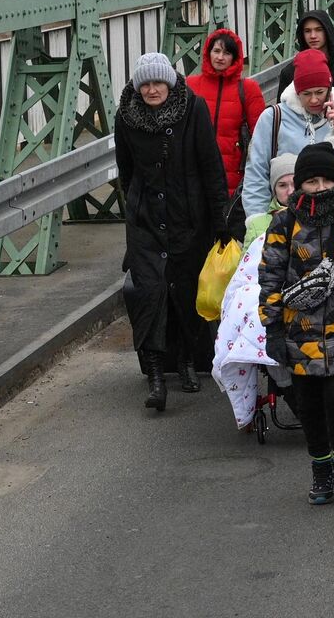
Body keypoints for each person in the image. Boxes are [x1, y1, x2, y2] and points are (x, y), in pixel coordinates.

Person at [258, 142, 334, 507]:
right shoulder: (284, 223)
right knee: (308, 405)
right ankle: (321, 467)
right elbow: (270, 277)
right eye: (312, 181)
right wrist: (273, 329)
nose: (321, 187)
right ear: (300, 186)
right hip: (299, 332)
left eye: (327, 179)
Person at [116, 49, 232, 413]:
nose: (152, 90)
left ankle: (184, 362)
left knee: (184, 293)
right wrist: (135, 209)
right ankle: (154, 374)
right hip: (146, 221)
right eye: (145, 84)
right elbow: (126, 168)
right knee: (150, 293)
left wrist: (219, 222)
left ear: (169, 82)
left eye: (157, 82)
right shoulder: (127, 116)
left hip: (188, 219)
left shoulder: (192, 109)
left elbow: (211, 166)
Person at [213, 152, 295, 430]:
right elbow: (248, 264)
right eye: (282, 185)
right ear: (273, 190)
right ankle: (286, 385)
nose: (289, 191)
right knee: (257, 316)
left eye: (294, 184)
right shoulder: (260, 222)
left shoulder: (312, 217)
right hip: (267, 284)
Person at [241, 50, 334, 221]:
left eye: (320, 92)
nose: (314, 100)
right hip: (285, 222)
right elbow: (256, 173)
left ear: (329, 90)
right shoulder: (273, 118)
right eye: (306, 94)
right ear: (296, 92)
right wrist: (258, 222)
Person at [186, 27, 265, 197]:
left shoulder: (248, 89)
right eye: (216, 51)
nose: (220, 57)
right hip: (195, 170)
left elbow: (261, 135)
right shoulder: (190, 85)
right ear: (208, 53)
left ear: (235, 58)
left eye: (227, 53)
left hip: (235, 173)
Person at [274, 8, 334, 97]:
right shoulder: (290, 73)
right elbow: (283, 108)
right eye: (307, 31)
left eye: (319, 30)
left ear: (327, 31)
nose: (313, 36)